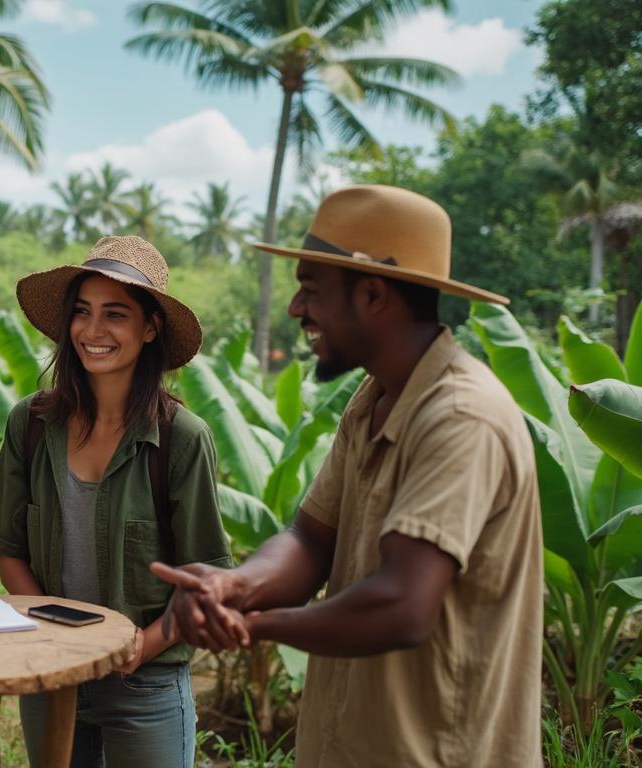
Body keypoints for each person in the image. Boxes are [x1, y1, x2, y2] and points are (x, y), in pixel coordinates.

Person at [154, 185, 542, 766]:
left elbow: (402, 606)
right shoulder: (373, 399)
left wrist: (252, 625)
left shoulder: (461, 417)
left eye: (310, 288)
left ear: (373, 293)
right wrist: (231, 587)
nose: (295, 308)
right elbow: (311, 539)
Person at [0, 235, 232, 767]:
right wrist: (56, 636)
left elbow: (204, 575)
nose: (94, 331)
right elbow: (10, 550)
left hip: (145, 682)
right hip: (52, 671)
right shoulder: (32, 424)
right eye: (82, 313)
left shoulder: (182, 438)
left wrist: (143, 645)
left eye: (116, 314)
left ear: (150, 327)